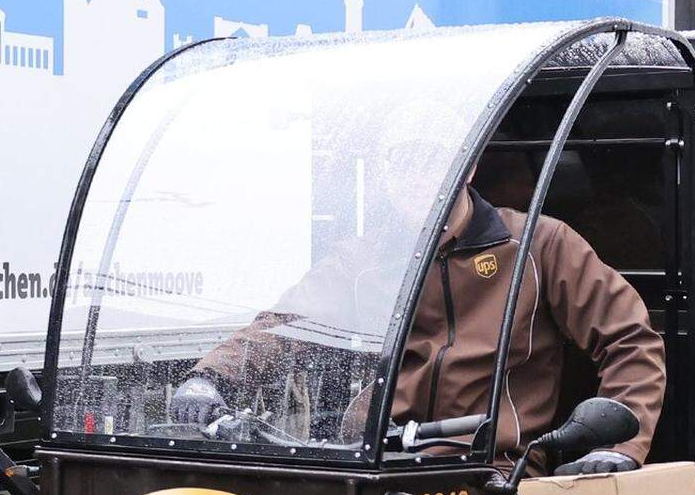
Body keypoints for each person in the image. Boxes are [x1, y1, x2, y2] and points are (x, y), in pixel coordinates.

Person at [177, 166, 665, 470]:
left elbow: (630, 340)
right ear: (386, 175)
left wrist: (621, 447)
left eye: (431, 158)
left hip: (493, 475)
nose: (416, 177)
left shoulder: (540, 245)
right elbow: (287, 324)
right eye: (402, 163)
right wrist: (210, 376)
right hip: (381, 465)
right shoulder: (363, 258)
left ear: (468, 164)